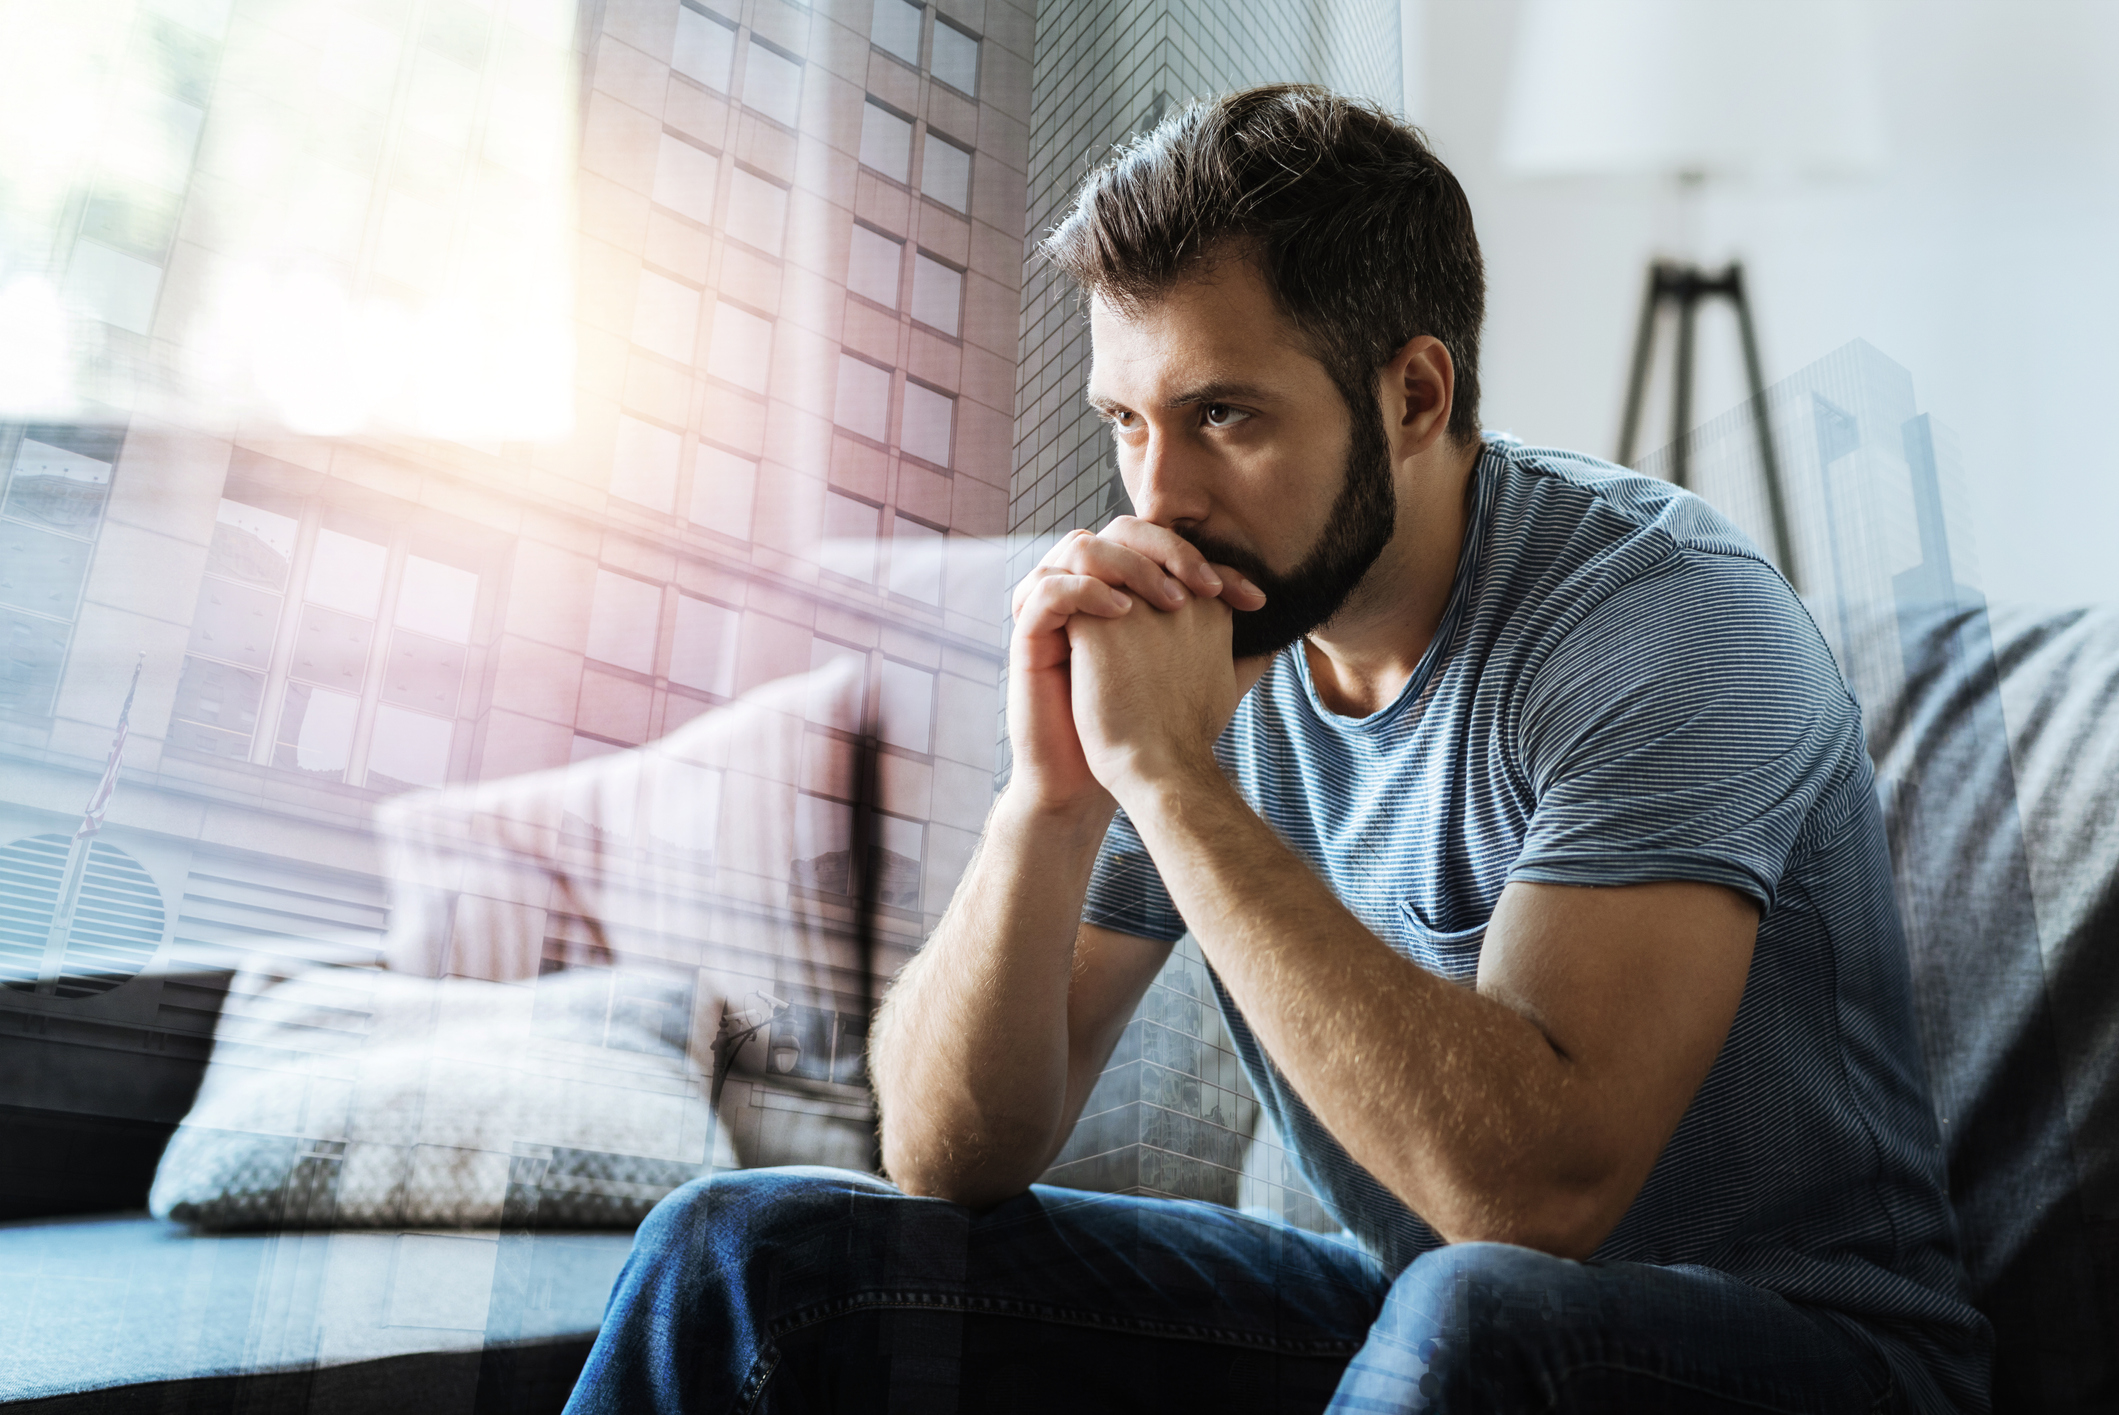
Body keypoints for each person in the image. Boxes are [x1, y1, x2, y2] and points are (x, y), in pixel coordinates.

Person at [564, 85, 1992, 1414]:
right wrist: (1056, 801)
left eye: (1223, 416)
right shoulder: (1201, 636)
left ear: (1416, 397)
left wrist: (1173, 780)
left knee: (1477, 1308)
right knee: (748, 1255)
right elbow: (945, 1156)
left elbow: (1536, 1204)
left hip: (1813, 1353)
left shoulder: (1665, 617)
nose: (1159, 494)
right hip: (1407, 1317)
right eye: (1127, 422)